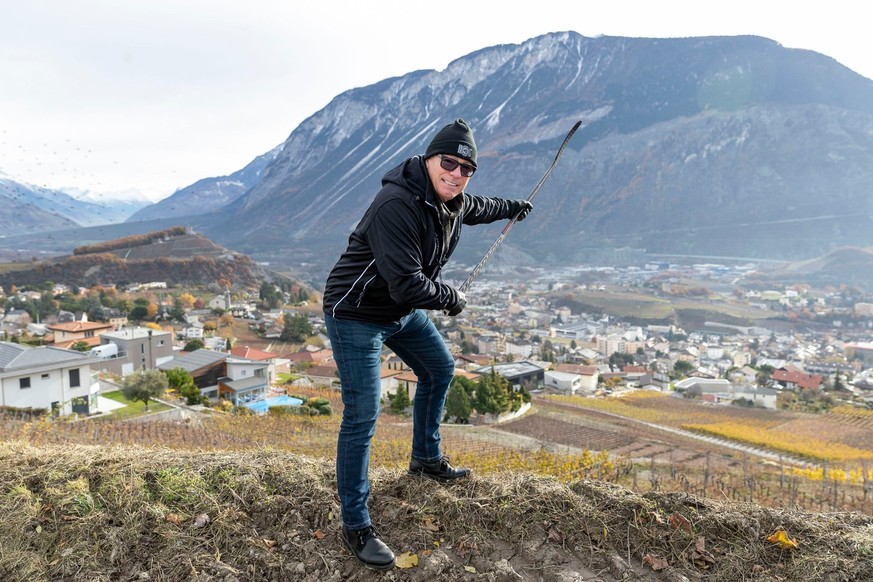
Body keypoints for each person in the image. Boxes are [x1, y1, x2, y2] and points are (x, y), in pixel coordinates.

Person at [322, 118, 533, 570]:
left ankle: (425, 458)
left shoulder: (448, 198)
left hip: (396, 311)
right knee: (363, 414)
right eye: (449, 163)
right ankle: (356, 524)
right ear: (428, 159)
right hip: (356, 311)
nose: (457, 173)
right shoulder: (395, 204)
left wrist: (512, 207)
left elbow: (477, 206)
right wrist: (452, 298)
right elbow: (406, 284)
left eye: (466, 168)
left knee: (440, 369)